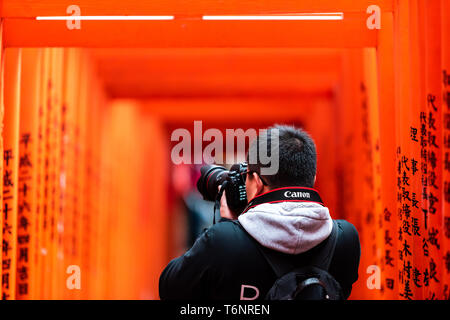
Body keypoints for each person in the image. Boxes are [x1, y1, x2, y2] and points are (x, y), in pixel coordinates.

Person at [159, 125, 360, 300]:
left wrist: (229, 225)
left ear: (256, 182)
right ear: (312, 178)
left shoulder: (223, 241)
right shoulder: (346, 239)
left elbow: (170, 288)